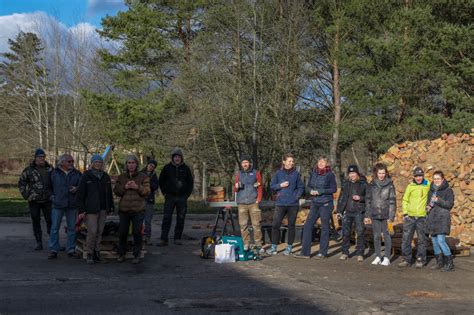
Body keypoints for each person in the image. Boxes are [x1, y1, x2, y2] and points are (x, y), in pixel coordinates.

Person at [294, 156, 336, 259]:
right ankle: (305, 252)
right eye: (319, 162)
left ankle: (322, 252)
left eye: (323, 162)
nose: (321, 163)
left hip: (326, 203)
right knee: (308, 225)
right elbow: (308, 186)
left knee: (325, 227)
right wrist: (310, 191)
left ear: (327, 163)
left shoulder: (330, 174)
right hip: (315, 202)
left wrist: (321, 191)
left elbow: (333, 189)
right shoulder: (314, 173)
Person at [75, 154, 114, 264]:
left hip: (103, 208)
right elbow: (80, 194)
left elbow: (109, 193)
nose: (98, 164)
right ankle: (89, 253)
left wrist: (110, 206)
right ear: (92, 163)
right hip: (90, 209)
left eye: (100, 162)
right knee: (92, 231)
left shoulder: (105, 176)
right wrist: (81, 210)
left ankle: (97, 253)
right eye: (96, 162)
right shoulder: (86, 176)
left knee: (100, 232)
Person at [114, 155, 150, 264]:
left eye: (133, 163)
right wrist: (124, 187)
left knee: (136, 232)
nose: (131, 165)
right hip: (124, 210)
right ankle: (121, 254)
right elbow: (116, 191)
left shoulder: (143, 177)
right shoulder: (122, 177)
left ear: (137, 164)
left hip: (138, 210)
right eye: (129, 163)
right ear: (126, 164)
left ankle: (136, 254)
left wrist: (137, 187)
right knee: (123, 232)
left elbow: (147, 191)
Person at [267, 153, 304, 256]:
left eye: (292, 161)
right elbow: (272, 186)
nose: (291, 163)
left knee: (291, 225)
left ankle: (289, 247)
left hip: (293, 204)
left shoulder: (296, 174)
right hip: (280, 203)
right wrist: (280, 185)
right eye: (289, 161)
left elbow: (301, 187)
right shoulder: (278, 173)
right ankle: (274, 247)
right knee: (275, 225)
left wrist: (297, 196)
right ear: (284, 162)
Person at [48, 154, 82, 259]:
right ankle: (53, 250)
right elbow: (48, 187)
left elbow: (82, 186)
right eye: (69, 161)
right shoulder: (53, 173)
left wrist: (77, 189)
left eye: (72, 161)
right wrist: (52, 197)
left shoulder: (77, 174)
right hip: (58, 204)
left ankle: (70, 249)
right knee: (54, 228)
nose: (72, 163)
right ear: (62, 162)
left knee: (72, 228)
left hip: (71, 204)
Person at [18, 148, 53, 250]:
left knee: (50, 221)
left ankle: (53, 242)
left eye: (43, 157)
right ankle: (39, 243)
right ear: (35, 158)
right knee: (36, 221)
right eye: (40, 157)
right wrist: (27, 195)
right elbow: (21, 183)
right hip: (34, 201)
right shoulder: (29, 170)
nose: (42, 159)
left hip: (47, 200)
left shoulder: (50, 168)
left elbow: (55, 181)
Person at [158, 148, 194, 247]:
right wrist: (164, 192)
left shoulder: (186, 168)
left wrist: (186, 195)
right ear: (172, 158)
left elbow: (190, 183)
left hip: (182, 198)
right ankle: (163, 239)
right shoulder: (167, 168)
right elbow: (161, 181)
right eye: (175, 157)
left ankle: (177, 238)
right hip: (170, 197)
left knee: (181, 218)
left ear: (181, 158)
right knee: (166, 218)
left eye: (179, 157)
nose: (177, 158)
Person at [398, 167, 430, 268]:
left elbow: (434, 196)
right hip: (410, 217)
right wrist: (405, 213)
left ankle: (420, 259)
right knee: (406, 239)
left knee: (422, 239)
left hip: (422, 217)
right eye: (416, 176)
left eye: (420, 176)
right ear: (414, 177)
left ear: (423, 176)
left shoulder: (428, 185)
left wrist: (428, 212)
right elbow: (405, 200)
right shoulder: (410, 186)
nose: (418, 178)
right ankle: (406, 259)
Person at [364, 163, 396, 266]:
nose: (381, 175)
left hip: (386, 214)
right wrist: (367, 215)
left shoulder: (390, 185)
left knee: (386, 235)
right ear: (376, 173)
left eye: (383, 173)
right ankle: (378, 256)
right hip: (375, 214)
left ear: (386, 173)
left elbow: (392, 201)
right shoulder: (371, 185)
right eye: (379, 173)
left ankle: (387, 257)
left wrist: (391, 217)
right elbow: (368, 200)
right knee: (376, 235)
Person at [336, 165, 367, 262]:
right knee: (345, 233)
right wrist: (339, 211)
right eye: (350, 173)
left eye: (354, 173)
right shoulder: (346, 184)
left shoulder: (364, 184)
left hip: (359, 211)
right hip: (347, 211)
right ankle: (345, 252)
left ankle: (360, 253)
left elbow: (369, 198)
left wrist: (360, 198)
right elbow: (341, 198)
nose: (352, 175)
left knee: (360, 232)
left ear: (357, 173)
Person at [425, 171, 455, 272]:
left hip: (442, 218)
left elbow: (449, 205)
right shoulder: (431, 190)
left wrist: (438, 200)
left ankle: (450, 263)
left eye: (438, 178)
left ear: (442, 179)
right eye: (435, 179)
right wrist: (428, 207)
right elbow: (429, 203)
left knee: (441, 240)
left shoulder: (448, 190)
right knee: (434, 241)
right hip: (432, 218)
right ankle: (439, 262)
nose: (436, 180)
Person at [234, 154, 263, 252]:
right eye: (243, 162)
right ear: (241, 164)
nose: (245, 164)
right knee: (243, 225)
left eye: (246, 162)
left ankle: (258, 245)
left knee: (256, 224)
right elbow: (235, 189)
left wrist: (258, 199)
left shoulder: (256, 173)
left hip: (253, 202)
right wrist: (236, 187)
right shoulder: (238, 174)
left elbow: (259, 186)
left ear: (249, 163)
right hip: (241, 203)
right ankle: (246, 244)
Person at [141, 159, 159, 245]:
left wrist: (149, 182)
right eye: (150, 165)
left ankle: (147, 238)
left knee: (148, 220)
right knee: (139, 220)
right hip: (140, 199)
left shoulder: (154, 175)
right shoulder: (140, 173)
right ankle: (138, 237)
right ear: (147, 165)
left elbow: (155, 186)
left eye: (153, 167)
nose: (151, 167)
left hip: (149, 200)